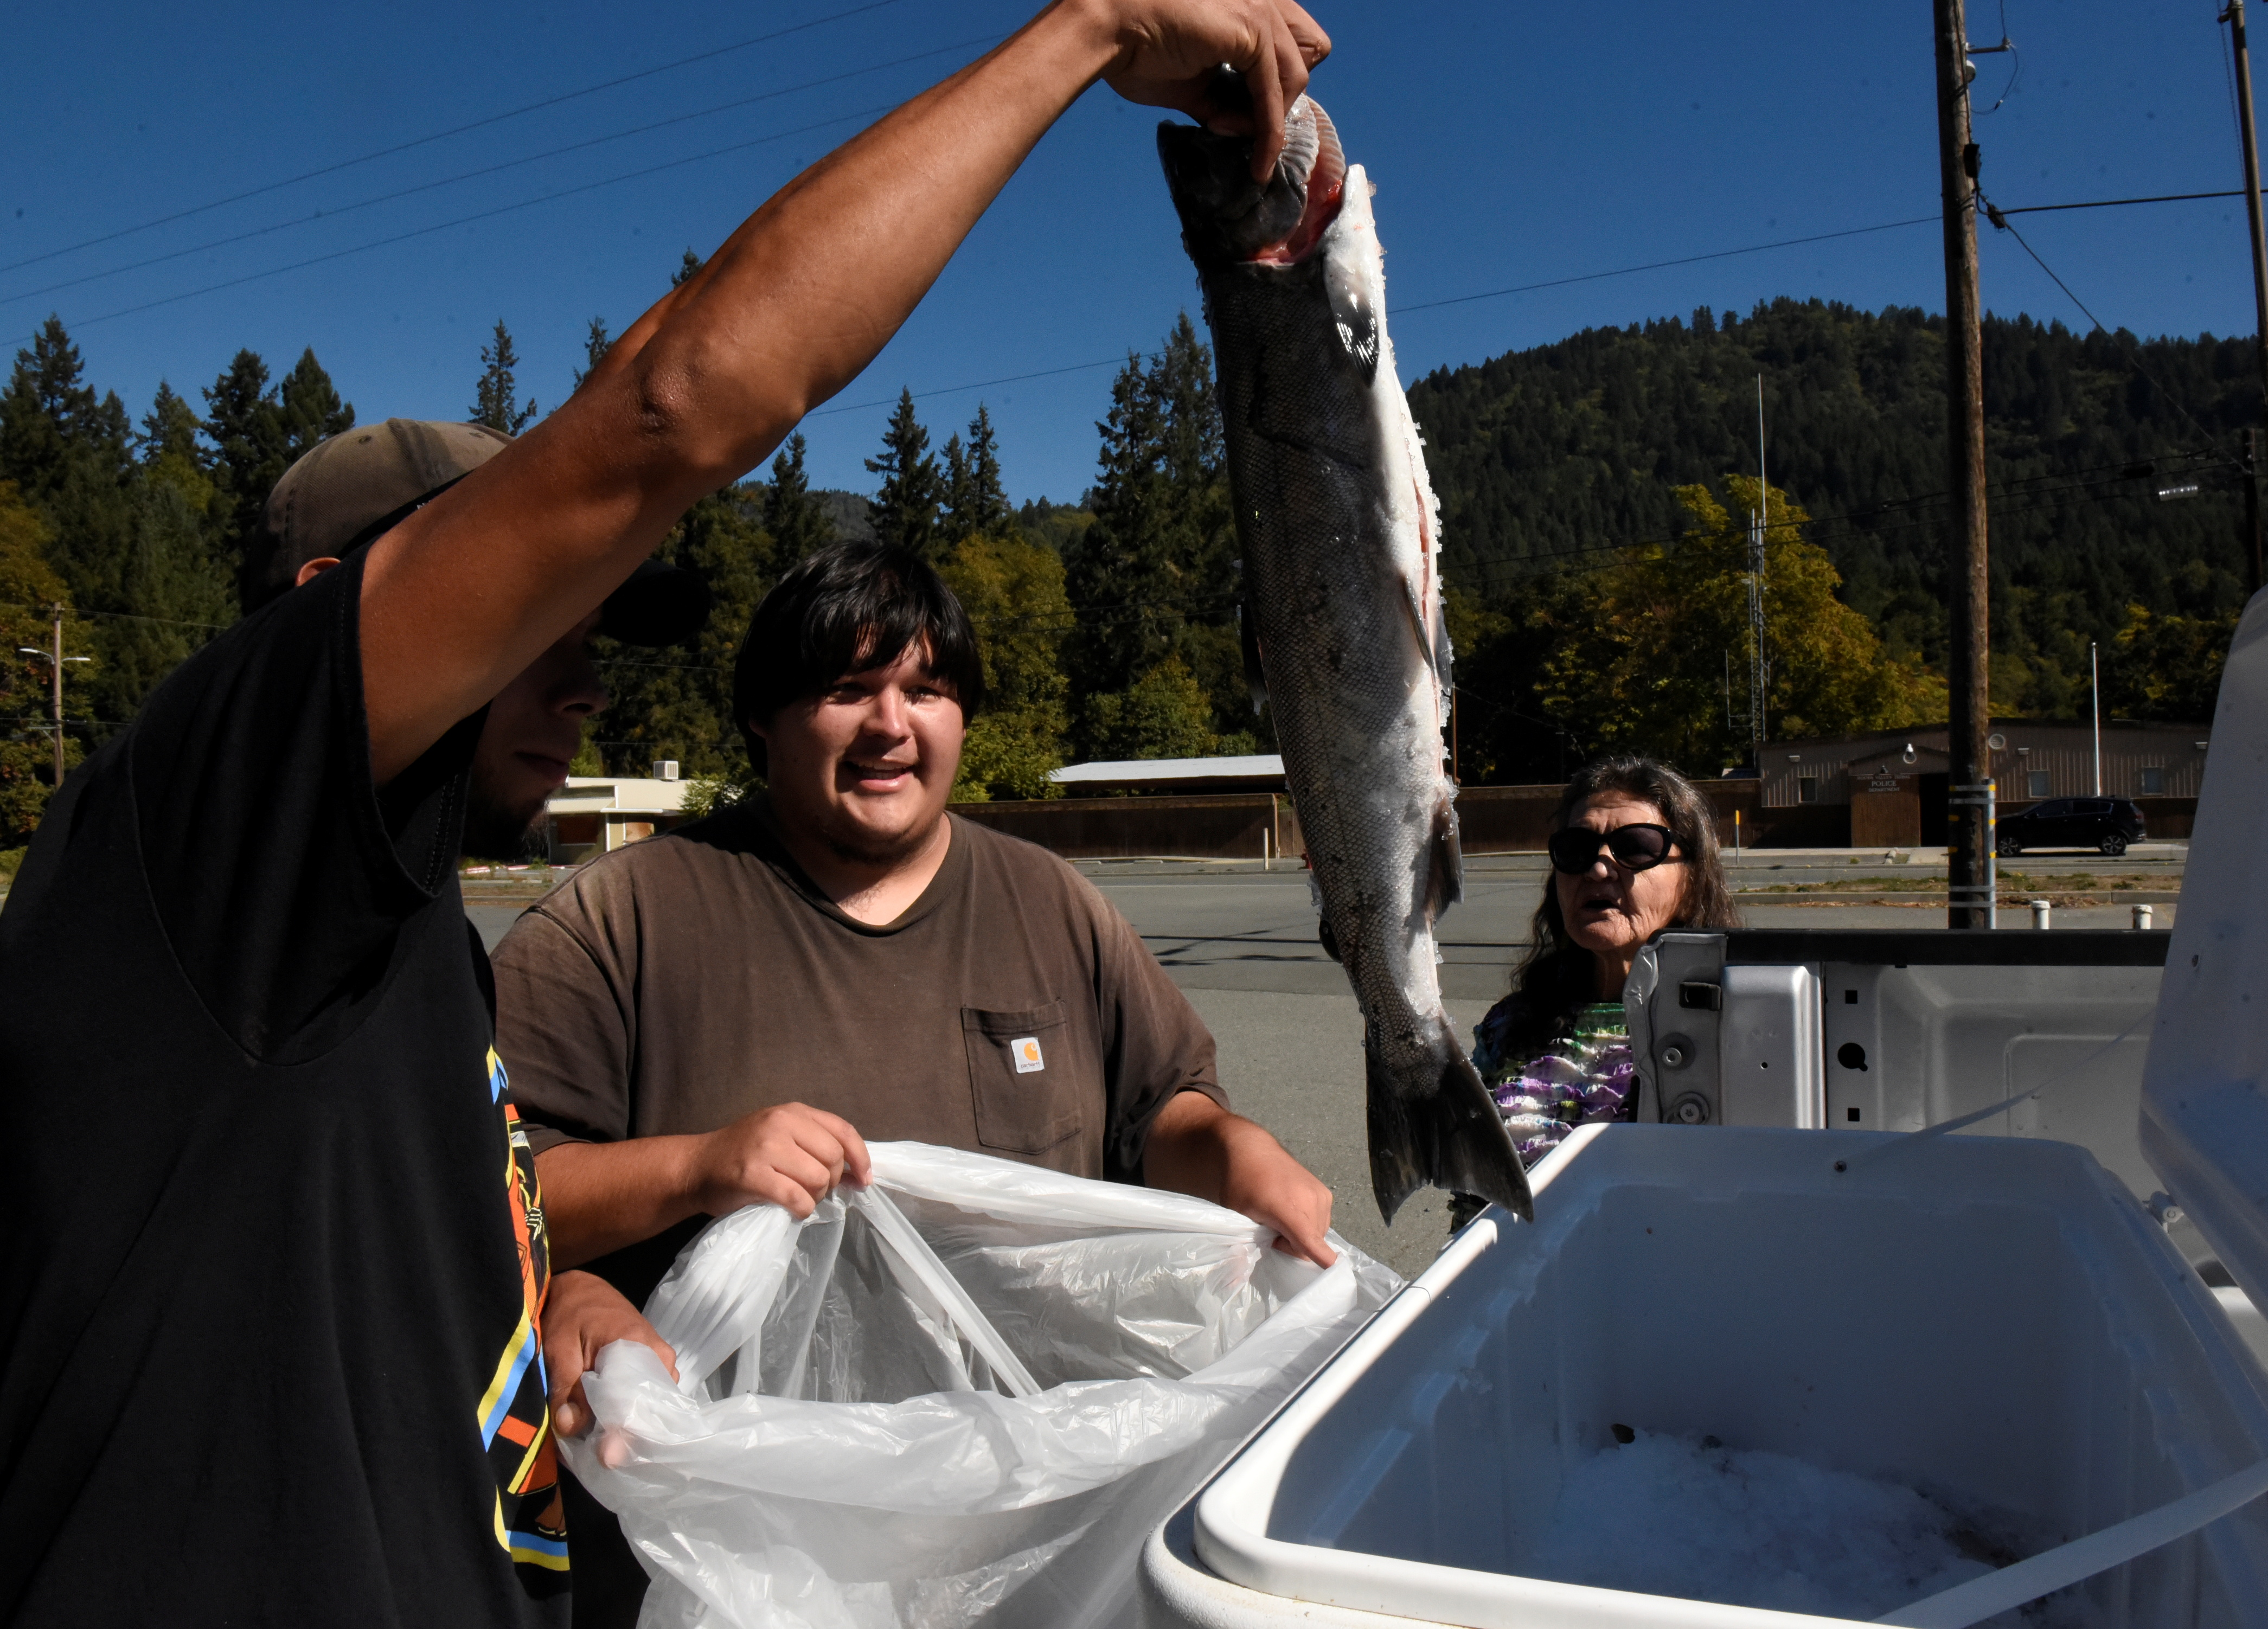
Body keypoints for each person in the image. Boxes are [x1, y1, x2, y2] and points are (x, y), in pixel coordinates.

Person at [0, 4, 1330, 1623]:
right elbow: (673, 406)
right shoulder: (226, 818)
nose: (583, 685)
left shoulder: (379, 943)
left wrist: (554, 1286)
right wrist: (1090, 31)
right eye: (534, 631)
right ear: (333, 611)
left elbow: (399, 1241)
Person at [488, 542, 1339, 1627]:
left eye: (926, 690)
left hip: (1031, 1543)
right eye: (849, 689)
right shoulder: (622, 920)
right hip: (740, 1557)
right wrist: (694, 1169)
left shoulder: (1051, 905)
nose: (893, 724)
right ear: (763, 719)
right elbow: (493, 1191)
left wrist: (1230, 1149)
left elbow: (1160, 1108)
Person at [1469, 757, 1740, 1181]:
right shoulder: (1508, 1026)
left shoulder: (1745, 1028)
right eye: (1577, 848)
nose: (1597, 867)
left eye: (1635, 847)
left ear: (1692, 884)